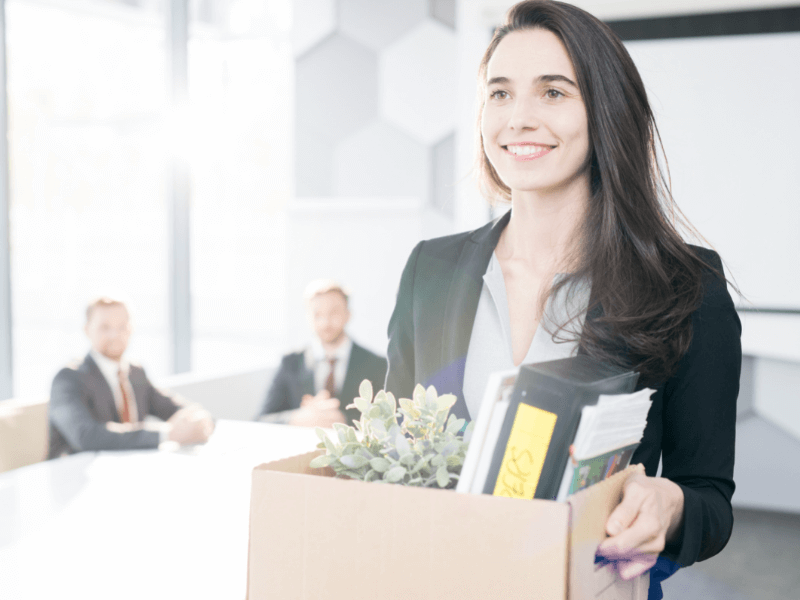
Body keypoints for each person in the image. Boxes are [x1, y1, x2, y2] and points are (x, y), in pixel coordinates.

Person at [384, 2, 740, 598]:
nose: (519, 118)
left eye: (553, 92)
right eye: (499, 94)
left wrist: (669, 504)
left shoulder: (685, 285)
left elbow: (710, 499)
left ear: (604, 111)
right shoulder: (431, 269)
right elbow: (393, 445)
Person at [48, 297, 214, 458]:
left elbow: (171, 406)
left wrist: (197, 420)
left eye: (122, 326)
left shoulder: (135, 372)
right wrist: (166, 434)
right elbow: (86, 436)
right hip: (72, 475)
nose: (115, 335)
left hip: (128, 469)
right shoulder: (68, 379)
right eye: (105, 327)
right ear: (87, 330)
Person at [257, 280, 387, 428]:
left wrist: (343, 420)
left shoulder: (377, 365)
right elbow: (260, 419)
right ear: (308, 316)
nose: (325, 322)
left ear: (348, 314)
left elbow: (391, 421)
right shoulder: (290, 362)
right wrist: (297, 418)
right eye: (317, 314)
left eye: (334, 312)